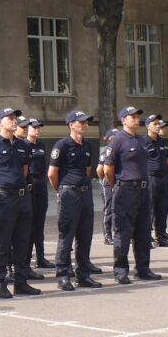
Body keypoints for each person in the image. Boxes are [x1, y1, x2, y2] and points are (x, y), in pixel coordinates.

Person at [0, 108, 42, 298]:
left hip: (22, 197)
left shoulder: (23, 145)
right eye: (10, 118)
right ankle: (0, 283)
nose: (15, 121)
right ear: (0, 122)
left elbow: (24, 170)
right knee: (3, 241)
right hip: (4, 198)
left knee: (22, 241)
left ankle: (21, 282)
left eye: (16, 118)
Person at [104, 106, 162, 283]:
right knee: (123, 231)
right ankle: (121, 271)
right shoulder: (117, 141)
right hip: (126, 189)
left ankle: (143, 269)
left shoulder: (141, 140)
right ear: (123, 120)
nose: (136, 120)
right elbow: (108, 169)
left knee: (143, 231)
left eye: (137, 117)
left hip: (143, 189)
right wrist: (118, 185)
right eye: (132, 117)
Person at [49, 111, 101, 291]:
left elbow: (87, 170)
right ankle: (63, 275)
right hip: (69, 194)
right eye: (81, 122)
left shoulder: (87, 145)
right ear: (71, 124)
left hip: (85, 193)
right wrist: (62, 190)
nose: (85, 125)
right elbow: (52, 174)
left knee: (85, 235)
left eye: (86, 122)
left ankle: (84, 275)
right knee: (67, 235)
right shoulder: (62, 145)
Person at [26, 119, 55, 269]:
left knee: (39, 222)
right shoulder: (24, 145)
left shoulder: (41, 145)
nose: (37, 130)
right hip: (30, 181)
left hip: (41, 182)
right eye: (34, 128)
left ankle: (41, 257)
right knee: (29, 223)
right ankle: (27, 257)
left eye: (38, 128)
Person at [144, 115, 168, 247]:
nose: (158, 126)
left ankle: (160, 236)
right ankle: (146, 236)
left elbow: (166, 160)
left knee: (162, 208)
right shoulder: (143, 142)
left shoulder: (163, 142)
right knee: (149, 208)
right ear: (148, 126)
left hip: (163, 177)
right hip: (150, 178)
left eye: (158, 124)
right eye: (155, 124)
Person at [98, 128, 119, 245]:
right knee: (109, 208)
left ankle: (118, 233)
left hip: (119, 182)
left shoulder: (120, 151)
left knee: (119, 209)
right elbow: (100, 171)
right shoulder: (105, 153)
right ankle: (107, 236)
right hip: (108, 184)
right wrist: (106, 182)